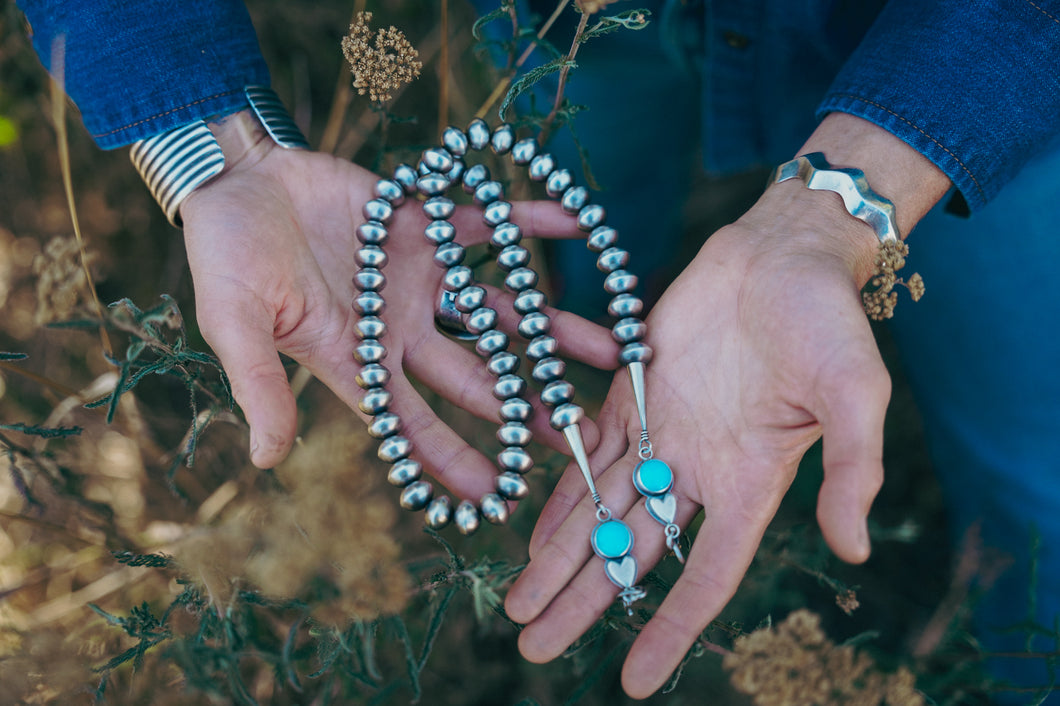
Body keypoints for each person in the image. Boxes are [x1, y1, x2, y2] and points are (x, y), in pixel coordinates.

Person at [15, 0, 1060, 701]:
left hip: (953, 54)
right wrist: (220, 154)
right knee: (586, 224)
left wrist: (831, 215)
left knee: (1032, 452)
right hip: (571, 26)